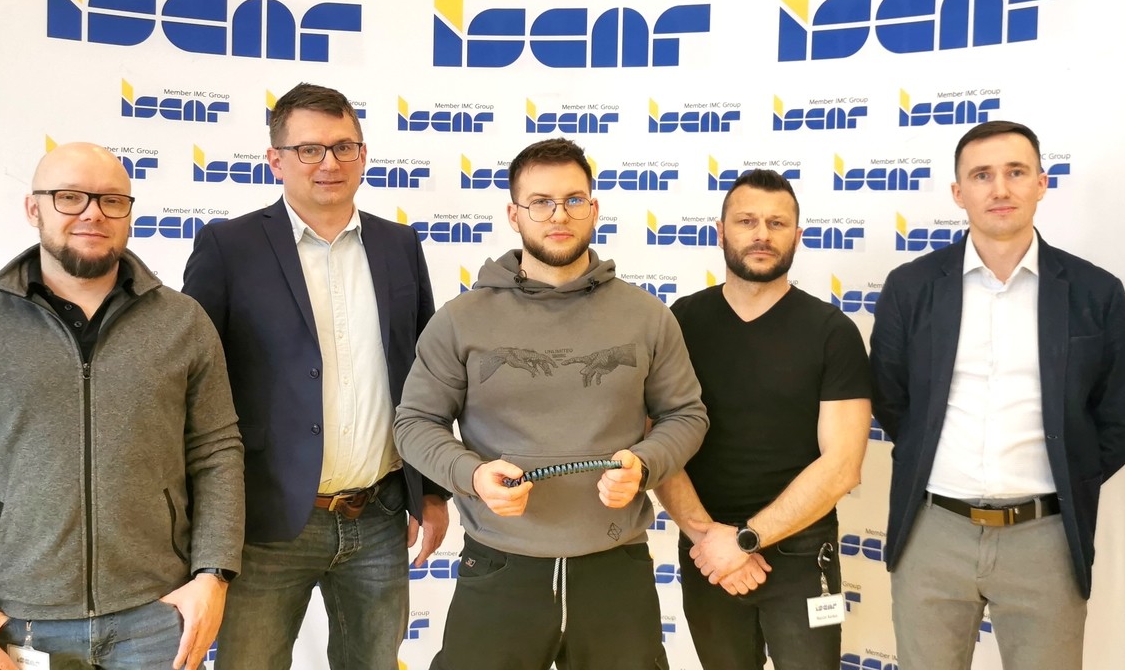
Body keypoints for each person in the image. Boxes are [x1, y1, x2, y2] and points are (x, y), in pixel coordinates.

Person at [0, 143, 244, 670]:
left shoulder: (183, 322)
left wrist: (213, 574)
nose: (92, 213)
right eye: (69, 197)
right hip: (20, 621)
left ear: (128, 213)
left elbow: (216, 452)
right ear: (33, 208)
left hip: (157, 618)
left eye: (111, 200)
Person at [393, 137, 708, 669]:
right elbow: (415, 423)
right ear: (514, 214)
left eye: (573, 200)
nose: (558, 215)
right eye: (540, 202)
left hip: (615, 569)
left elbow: (686, 415)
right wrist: (472, 475)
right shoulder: (461, 319)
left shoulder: (647, 316)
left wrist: (646, 463)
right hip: (499, 570)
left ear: (594, 209)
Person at [181, 83, 448, 668]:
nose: (329, 163)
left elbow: (424, 377)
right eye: (308, 149)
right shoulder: (228, 247)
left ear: (363, 154)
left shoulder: (399, 244)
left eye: (343, 147)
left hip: (379, 514)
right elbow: (192, 383)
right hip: (265, 522)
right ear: (275, 160)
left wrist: (430, 492)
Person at [869, 120, 1125, 669]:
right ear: (958, 193)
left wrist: (1070, 472)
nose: (1000, 188)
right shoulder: (911, 287)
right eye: (982, 175)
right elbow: (892, 398)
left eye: (1016, 172)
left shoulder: (1094, 291)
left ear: (1041, 183)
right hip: (932, 531)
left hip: (1046, 538)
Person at [656, 169, 871, 669]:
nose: (762, 234)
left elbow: (843, 465)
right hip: (707, 551)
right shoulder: (681, 321)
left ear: (797, 236)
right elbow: (659, 440)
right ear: (720, 231)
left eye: (777, 223)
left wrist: (745, 540)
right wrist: (709, 540)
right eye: (746, 221)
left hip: (802, 555)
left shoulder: (832, 331)